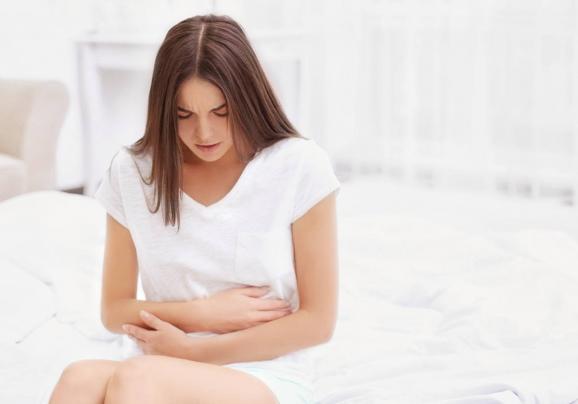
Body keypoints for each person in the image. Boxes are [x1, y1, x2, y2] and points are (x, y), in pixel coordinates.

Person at [48, 13, 340, 404]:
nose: (204, 132)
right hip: (161, 358)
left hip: (263, 368)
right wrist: (203, 314)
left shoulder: (298, 165)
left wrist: (193, 351)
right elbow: (114, 311)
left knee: (138, 378)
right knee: (78, 380)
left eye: (221, 112)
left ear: (247, 99)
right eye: (184, 115)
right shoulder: (133, 172)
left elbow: (317, 322)